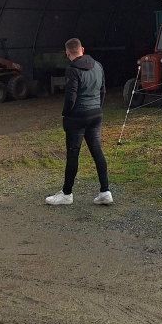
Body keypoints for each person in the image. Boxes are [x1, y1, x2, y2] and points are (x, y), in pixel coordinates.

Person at [46, 38, 112, 206]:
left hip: (77, 117)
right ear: (82, 49)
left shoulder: (72, 70)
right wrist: (97, 107)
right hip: (96, 114)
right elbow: (103, 90)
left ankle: (67, 193)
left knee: (73, 154)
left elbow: (71, 96)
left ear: (67, 53)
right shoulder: (98, 65)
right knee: (97, 151)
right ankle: (105, 191)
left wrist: (66, 113)